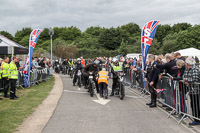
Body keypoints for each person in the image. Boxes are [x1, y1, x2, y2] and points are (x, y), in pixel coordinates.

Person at [183, 57, 200, 125]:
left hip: (196, 90)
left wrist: (187, 80)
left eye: (185, 63)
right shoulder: (187, 69)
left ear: (187, 63)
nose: (185, 64)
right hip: (191, 90)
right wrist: (186, 80)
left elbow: (195, 78)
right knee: (193, 104)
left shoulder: (195, 69)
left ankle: (197, 119)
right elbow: (184, 77)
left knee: (196, 105)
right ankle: (195, 118)